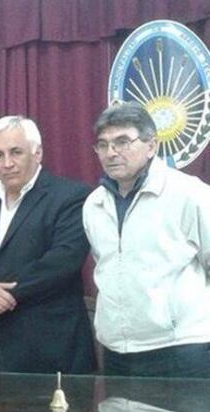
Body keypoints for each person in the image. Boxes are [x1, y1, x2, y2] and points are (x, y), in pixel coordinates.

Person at [0, 115, 94, 374]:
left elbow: (62, 262)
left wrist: (0, 299)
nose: (7, 163)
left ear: (37, 153)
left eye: (16, 152)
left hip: (48, 351)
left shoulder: (71, 197)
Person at [83, 102, 210, 378]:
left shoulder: (188, 194)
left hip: (182, 348)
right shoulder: (94, 204)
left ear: (151, 146)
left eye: (122, 142)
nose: (111, 152)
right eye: (102, 145)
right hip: (117, 350)